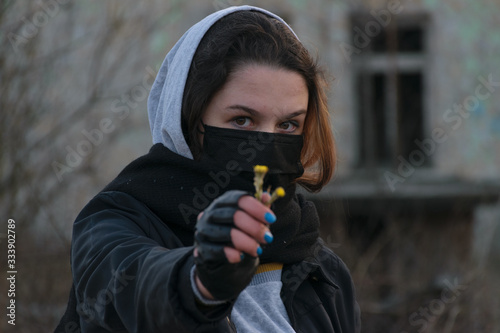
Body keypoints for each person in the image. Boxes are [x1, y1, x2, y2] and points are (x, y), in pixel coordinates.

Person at [55, 5, 360, 333]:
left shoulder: (322, 270)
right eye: (242, 120)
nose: (265, 146)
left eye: (288, 124)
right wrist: (201, 281)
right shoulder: (112, 223)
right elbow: (135, 292)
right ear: (187, 120)